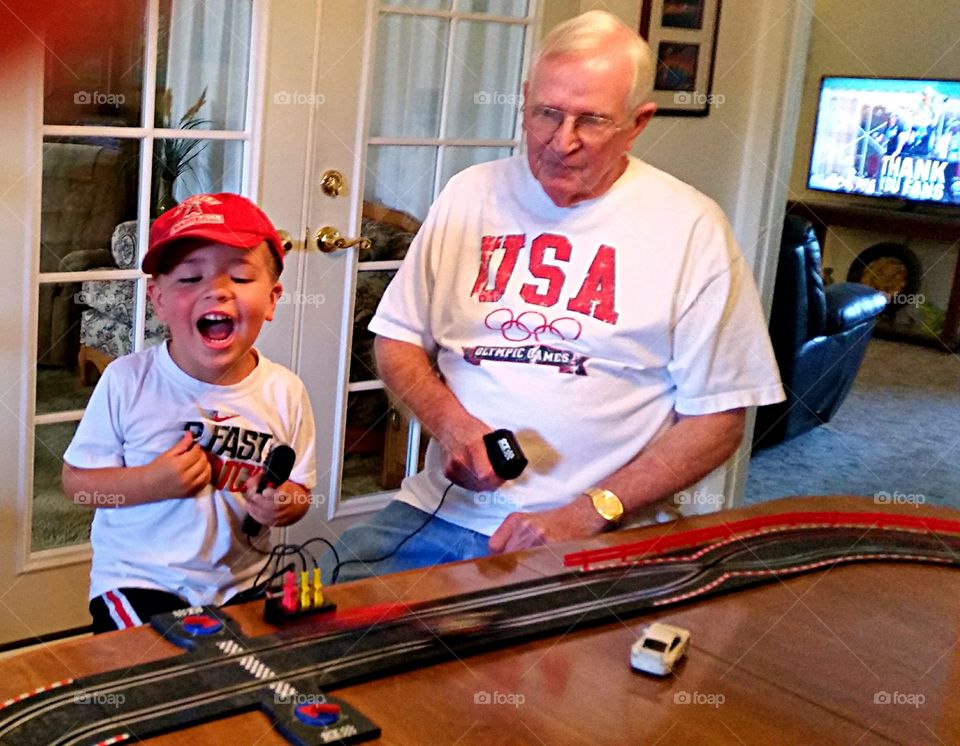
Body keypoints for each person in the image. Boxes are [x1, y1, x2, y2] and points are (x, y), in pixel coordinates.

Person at [322, 10, 783, 583]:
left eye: (591, 121)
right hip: (446, 513)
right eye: (546, 114)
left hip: (604, 531)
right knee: (316, 608)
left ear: (637, 123)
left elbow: (719, 418)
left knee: (554, 668)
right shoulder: (470, 194)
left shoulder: (691, 227)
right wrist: (452, 426)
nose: (561, 143)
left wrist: (588, 512)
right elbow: (396, 339)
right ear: (524, 100)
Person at [62, 193, 317, 632]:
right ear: (158, 300)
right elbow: (78, 485)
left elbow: (299, 489)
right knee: (155, 676)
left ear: (273, 300)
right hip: (140, 580)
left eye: (239, 276)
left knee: (249, 682)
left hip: (245, 581)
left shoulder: (285, 391)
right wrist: (148, 482)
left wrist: (283, 504)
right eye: (189, 278)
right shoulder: (128, 382)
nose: (216, 289)